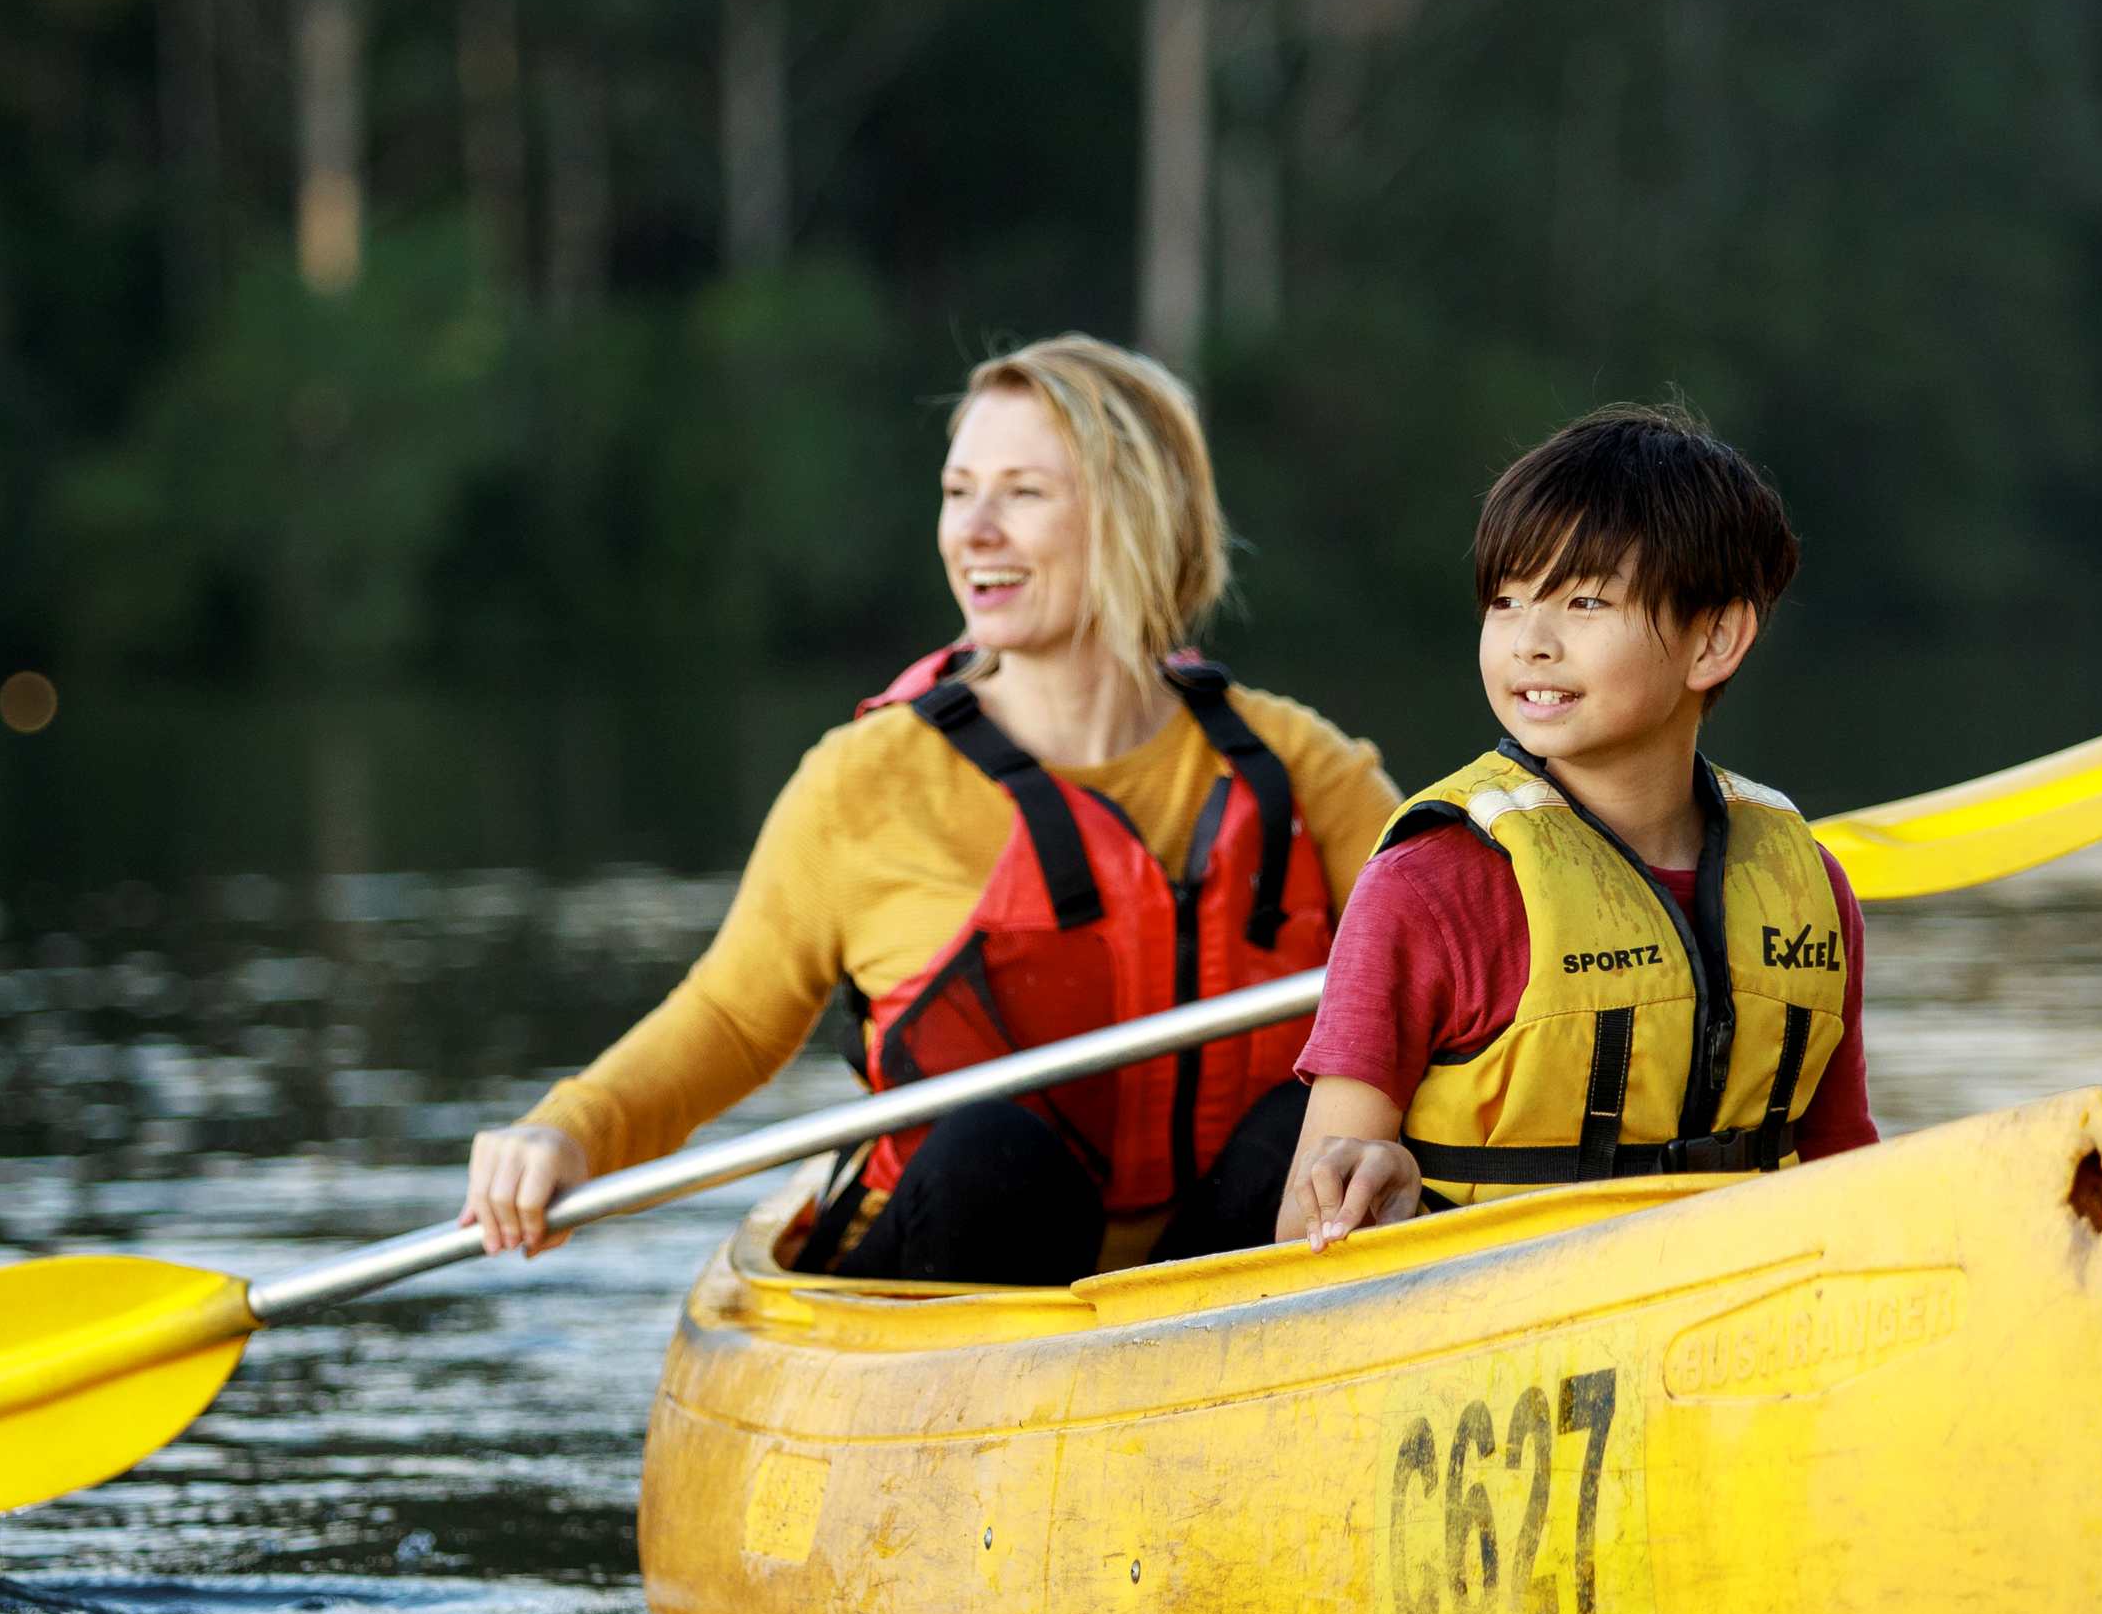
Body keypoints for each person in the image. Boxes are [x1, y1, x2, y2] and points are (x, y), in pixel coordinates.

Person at [462, 335, 1399, 1284]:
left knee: (1316, 1132)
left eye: (1023, 493)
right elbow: (731, 1024)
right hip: (961, 1268)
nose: (973, 531)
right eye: (958, 492)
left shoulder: (1295, 765)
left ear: (1136, 516)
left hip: (1224, 1282)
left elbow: (1467, 968)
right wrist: (563, 1134)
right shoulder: (865, 782)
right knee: (991, 1152)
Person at [1280, 403, 1873, 1250]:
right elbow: (1296, 1236)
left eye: (1585, 600)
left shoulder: (1810, 887)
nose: (1530, 641)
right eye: (1506, 599)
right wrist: (1384, 1196)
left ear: (1715, 637)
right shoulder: (1426, 887)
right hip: (1487, 1345)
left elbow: (1848, 1171)